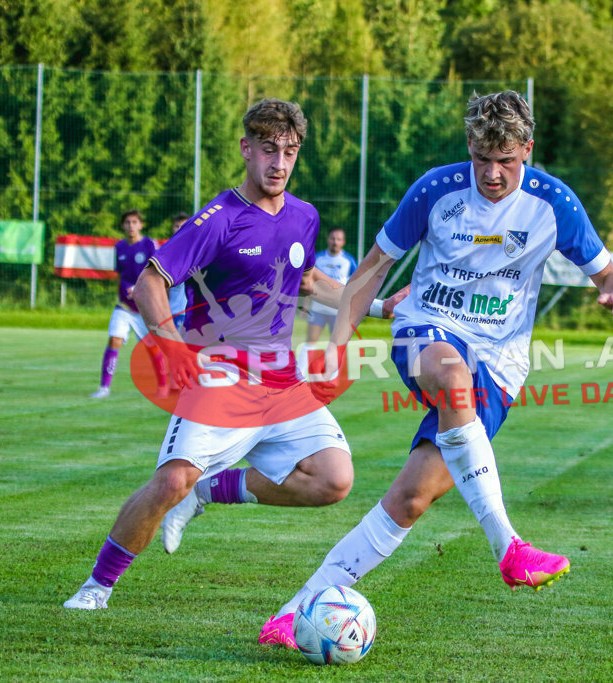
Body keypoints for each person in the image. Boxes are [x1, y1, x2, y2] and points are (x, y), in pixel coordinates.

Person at [256, 90, 613, 648]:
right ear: (469, 147)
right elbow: (373, 269)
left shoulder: (553, 203)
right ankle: (509, 547)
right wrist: (339, 343)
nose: (492, 173)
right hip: (425, 331)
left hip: (502, 366)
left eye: (505, 160)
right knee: (452, 375)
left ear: (527, 149)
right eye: (482, 158)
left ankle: (290, 616)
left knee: (411, 499)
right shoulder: (436, 189)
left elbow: (609, 275)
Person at [63, 97, 400, 611]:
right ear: (246, 149)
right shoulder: (218, 219)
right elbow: (152, 282)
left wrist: (375, 306)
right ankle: (96, 587)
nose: (279, 164)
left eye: (289, 152)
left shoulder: (304, 217)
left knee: (333, 479)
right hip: (219, 377)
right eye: (268, 150)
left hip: (280, 380)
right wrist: (170, 345)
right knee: (172, 480)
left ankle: (210, 493)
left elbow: (307, 282)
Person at [89, 210, 170, 399]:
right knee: (114, 340)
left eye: (134, 222)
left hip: (146, 307)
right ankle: (104, 388)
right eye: (127, 222)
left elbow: (157, 273)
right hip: (124, 307)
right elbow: (120, 276)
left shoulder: (150, 245)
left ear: (141, 225)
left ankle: (163, 387)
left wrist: (142, 290)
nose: (131, 226)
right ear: (123, 225)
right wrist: (127, 289)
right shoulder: (120, 247)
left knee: (152, 347)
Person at [306, 228, 357, 342]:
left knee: (338, 345)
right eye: (332, 238)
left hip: (338, 311)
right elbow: (308, 282)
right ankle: (304, 360)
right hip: (317, 309)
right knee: (310, 343)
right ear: (328, 240)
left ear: (343, 242)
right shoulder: (317, 258)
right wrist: (306, 306)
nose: (335, 242)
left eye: (338, 239)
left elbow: (354, 287)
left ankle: (334, 361)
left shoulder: (349, 261)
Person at [167, 212, 191, 331]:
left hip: (191, 311)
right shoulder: (167, 253)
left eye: (184, 226)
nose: (180, 229)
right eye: (177, 226)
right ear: (173, 228)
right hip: (173, 311)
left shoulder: (198, 251)